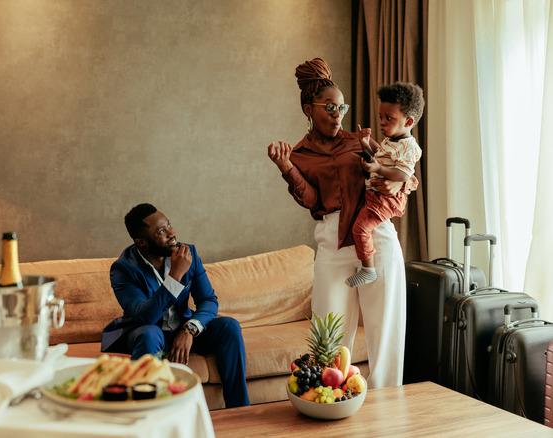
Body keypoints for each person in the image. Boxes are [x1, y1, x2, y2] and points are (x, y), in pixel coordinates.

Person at [266, 58, 417, 389]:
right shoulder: (300, 154)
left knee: (385, 329)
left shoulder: (357, 141)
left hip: (377, 236)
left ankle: (386, 414)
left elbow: (402, 170)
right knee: (329, 338)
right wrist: (287, 168)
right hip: (332, 244)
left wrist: (399, 184)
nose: (337, 115)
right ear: (309, 109)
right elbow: (312, 201)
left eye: (341, 107)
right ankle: (332, 407)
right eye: (329, 107)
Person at [101, 203, 250, 408]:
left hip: (181, 329)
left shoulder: (188, 253)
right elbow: (145, 316)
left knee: (229, 327)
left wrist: (190, 329)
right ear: (141, 242)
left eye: (169, 225)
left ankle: (240, 410)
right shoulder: (123, 269)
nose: (172, 233)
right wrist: (175, 275)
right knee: (150, 333)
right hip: (146, 333)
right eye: (162, 231)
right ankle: (144, 410)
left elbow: (208, 300)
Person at [345, 82, 425, 287]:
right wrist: (366, 147)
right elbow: (381, 162)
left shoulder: (409, 147)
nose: (382, 122)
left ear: (408, 121)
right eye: (381, 117)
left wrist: (378, 170)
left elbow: (403, 174)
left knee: (360, 229)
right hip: (376, 196)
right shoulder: (391, 141)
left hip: (385, 199)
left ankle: (368, 270)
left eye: (388, 118)